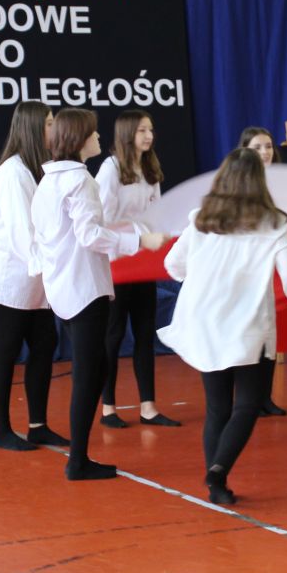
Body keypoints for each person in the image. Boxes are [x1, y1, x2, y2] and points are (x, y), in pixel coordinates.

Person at [159, 149, 287, 504]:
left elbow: (173, 263)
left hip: (205, 319)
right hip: (248, 324)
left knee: (217, 407)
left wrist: (201, 280)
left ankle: (216, 481)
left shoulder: (202, 217)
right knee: (247, 404)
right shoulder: (274, 222)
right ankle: (218, 471)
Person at [30, 108, 165, 481]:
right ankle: (78, 461)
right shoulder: (81, 180)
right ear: (79, 139)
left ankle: (80, 457)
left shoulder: (48, 182)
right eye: (92, 133)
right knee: (89, 374)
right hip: (84, 289)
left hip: (65, 287)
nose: (98, 138)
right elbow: (90, 235)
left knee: (96, 367)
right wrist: (138, 241)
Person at [0, 102, 65, 452]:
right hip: (10, 275)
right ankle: (2, 429)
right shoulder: (12, 172)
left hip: (35, 277)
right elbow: (22, 232)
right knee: (6, 350)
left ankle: (38, 425)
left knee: (44, 345)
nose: (54, 129)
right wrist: (53, 270)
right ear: (34, 127)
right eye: (50, 123)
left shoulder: (40, 168)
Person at [96, 110, 179, 429]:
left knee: (145, 332)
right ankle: (108, 408)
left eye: (151, 130)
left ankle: (148, 406)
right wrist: (135, 235)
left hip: (143, 261)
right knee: (113, 335)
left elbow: (156, 214)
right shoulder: (111, 168)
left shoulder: (150, 169)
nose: (149, 136)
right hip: (117, 261)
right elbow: (101, 220)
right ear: (127, 132)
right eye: (142, 130)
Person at [237, 126, 287, 416]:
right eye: (257, 147)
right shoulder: (238, 184)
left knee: (270, 330)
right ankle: (247, 398)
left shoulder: (281, 182)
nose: (265, 152)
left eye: (268, 146)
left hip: (271, 266)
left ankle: (264, 397)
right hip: (245, 271)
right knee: (250, 331)